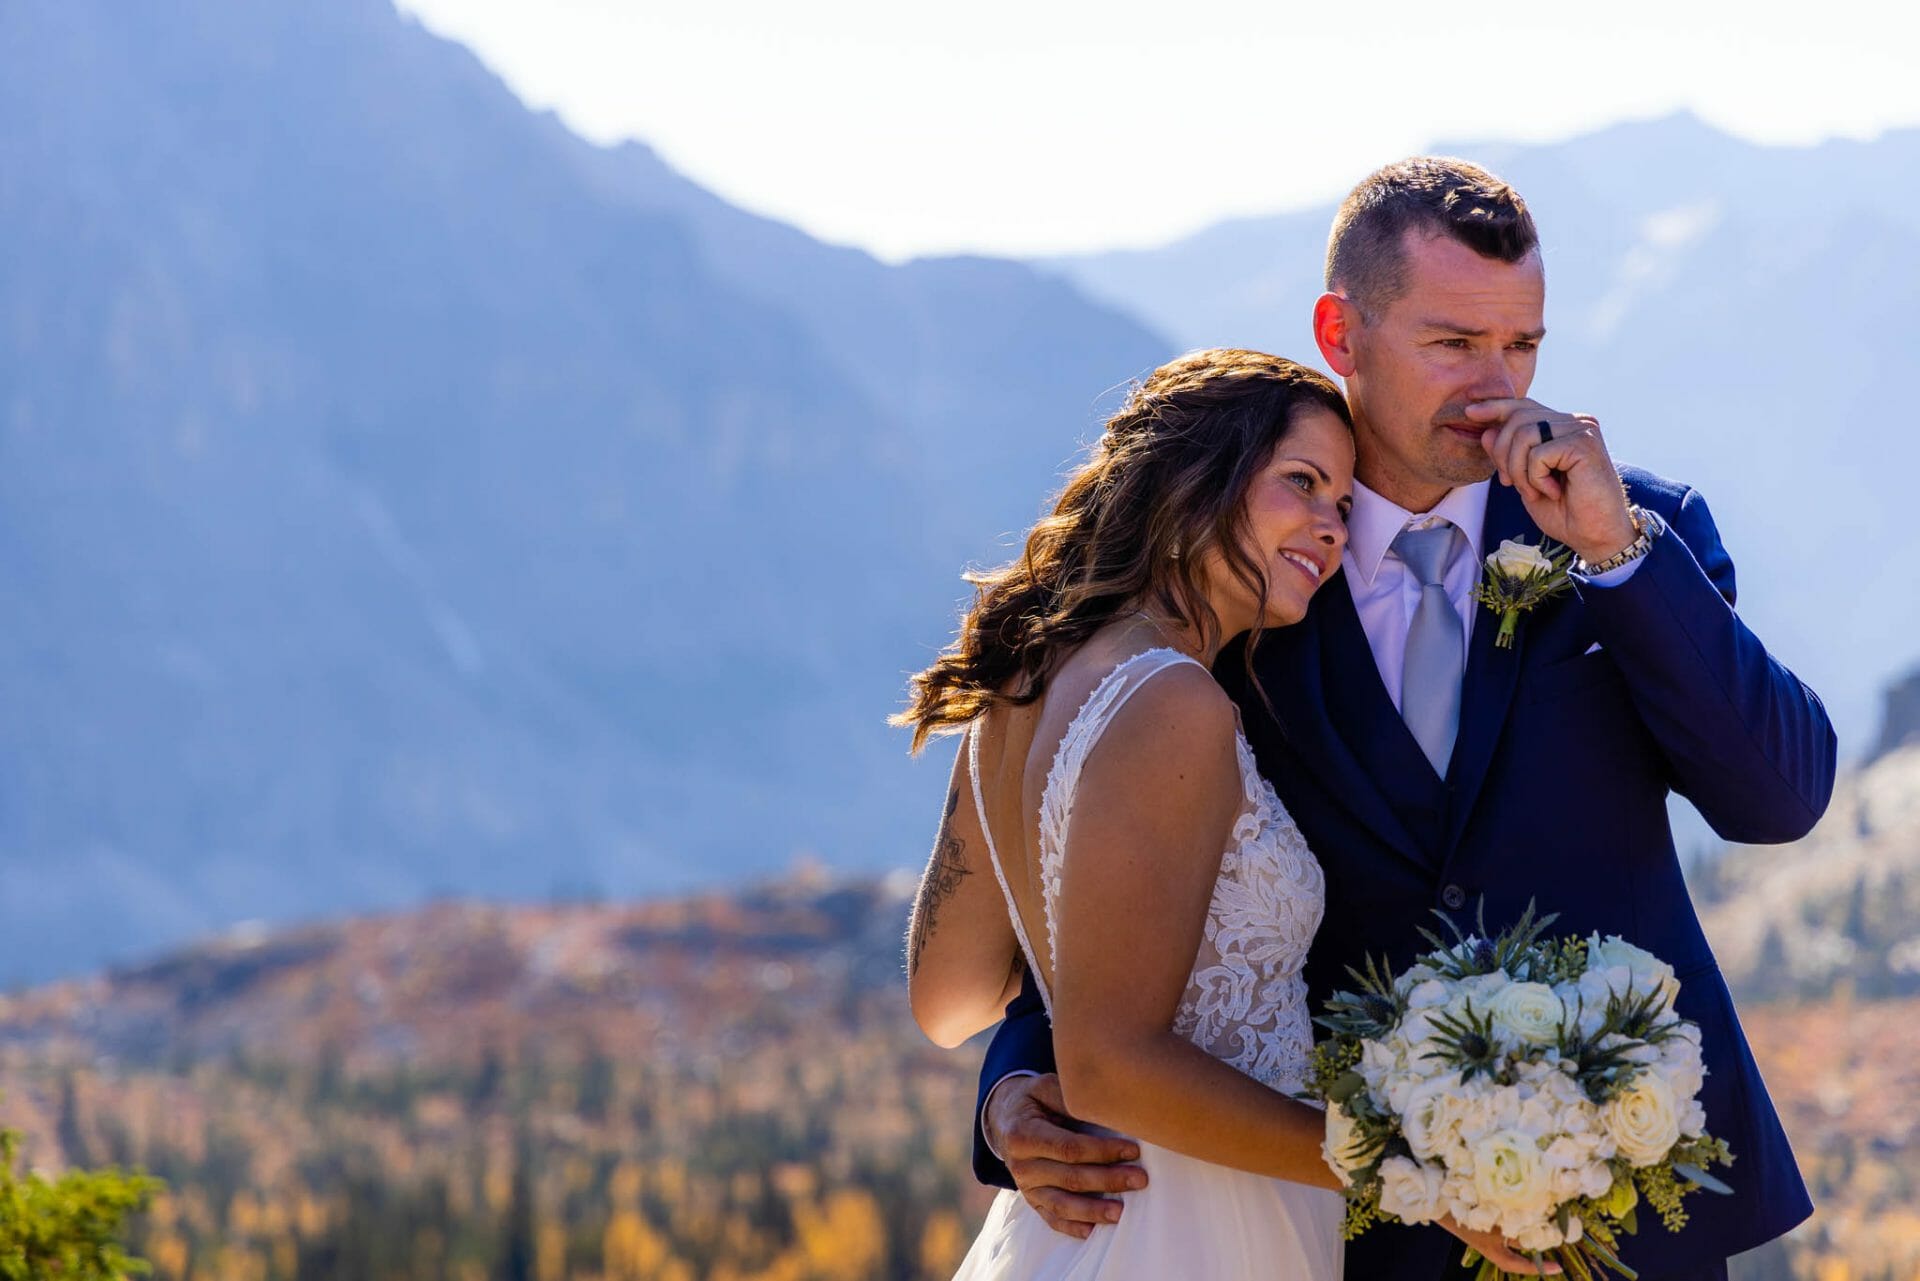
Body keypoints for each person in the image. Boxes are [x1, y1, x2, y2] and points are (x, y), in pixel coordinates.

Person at [970, 159, 1836, 1281]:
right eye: (1452, 344)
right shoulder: (1248, 571)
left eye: (1521, 346)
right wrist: (1021, 1081)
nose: (1496, 387)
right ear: (1343, 330)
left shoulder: (1633, 532)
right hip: (1339, 1227)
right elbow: (1119, 861)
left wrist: (1617, 557)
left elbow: (1781, 797)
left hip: (1622, 1222)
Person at [897, 348, 1553, 1278]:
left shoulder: (1018, 689)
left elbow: (948, 997)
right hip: (1192, 1225)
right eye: (1303, 484)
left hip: (1089, 1226)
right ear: (1195, 474)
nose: (1331, 529)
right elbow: (1111, 1064)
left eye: (1342, 506)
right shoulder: (1174, 703)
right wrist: (1409, 1172)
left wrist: (1012, 1096)